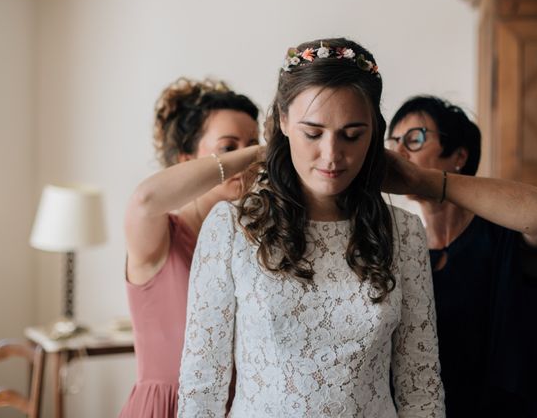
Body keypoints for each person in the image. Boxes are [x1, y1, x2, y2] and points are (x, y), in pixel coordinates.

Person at [178, 38, 445, 417]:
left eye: (353, 135)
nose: (332, 155)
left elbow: (421, 386)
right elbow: (201, 388)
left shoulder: (404, 233)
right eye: (313, 133)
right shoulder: (230, 228)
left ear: (374, 131)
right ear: (283, 122)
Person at [384, 95, 537, 418]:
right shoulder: (399, 242)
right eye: (394, 141)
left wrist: (422, 179)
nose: (399, 152)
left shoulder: (501, 234)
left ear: (459, 155)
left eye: (414, 138)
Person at [119, 77, 260, 418]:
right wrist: (257, 153)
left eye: (253, 144)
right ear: (187, 159)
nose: (246, 161)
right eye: (230, 147)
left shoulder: (255, 244)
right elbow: (144, 200)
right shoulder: (160, 238)